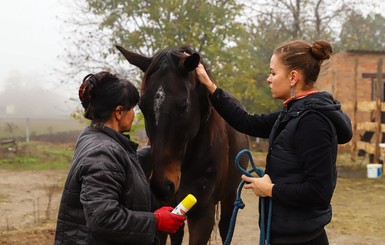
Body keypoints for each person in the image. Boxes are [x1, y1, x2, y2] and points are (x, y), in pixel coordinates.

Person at [195, 40, 352, 245]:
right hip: (284, 234)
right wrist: (211, 87)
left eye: (273, 73)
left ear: (293, 77)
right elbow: (247, 122)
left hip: (302, 239)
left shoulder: (312, 122)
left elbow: (318, 192)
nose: (269, 79)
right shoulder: (292, 112)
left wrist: (269, 190)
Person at [55, 71, 186, 245]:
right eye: (131, 108)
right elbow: (104, 219)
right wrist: (156, 220)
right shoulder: (101, 153)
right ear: (118, 112)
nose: (133, 114)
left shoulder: (94, 138)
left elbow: (118, 168)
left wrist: (153, 153)